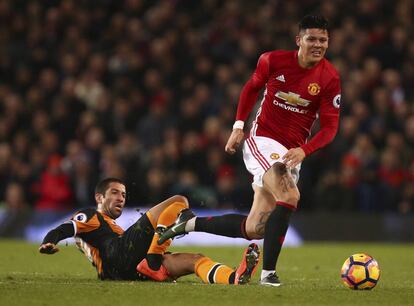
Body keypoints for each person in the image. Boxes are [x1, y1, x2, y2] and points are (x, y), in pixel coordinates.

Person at [158, 15, 341, 286]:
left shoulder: (329, 78)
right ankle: (269, 275)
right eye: (312, 38)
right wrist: (238, 126)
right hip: (263, 139)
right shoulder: (273, 60)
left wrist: (305, 150)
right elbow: (251, 88)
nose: (318, 44)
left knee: (256, 228)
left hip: (292, 152)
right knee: (289, 195)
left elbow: (330, 128)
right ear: (298, 40)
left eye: (323, 40)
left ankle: (188, 222)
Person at [39, 177, 259, 285]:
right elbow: (66, 227)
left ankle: (234, 278)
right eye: (114, 193)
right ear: (99, 198)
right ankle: (153, 260)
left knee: (195, 260)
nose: (120, 198)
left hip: (127, 270)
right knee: (179, 200)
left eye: (123, 195)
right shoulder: (91, 215)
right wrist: (50, 240)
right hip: (118, 255)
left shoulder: (109, 226)